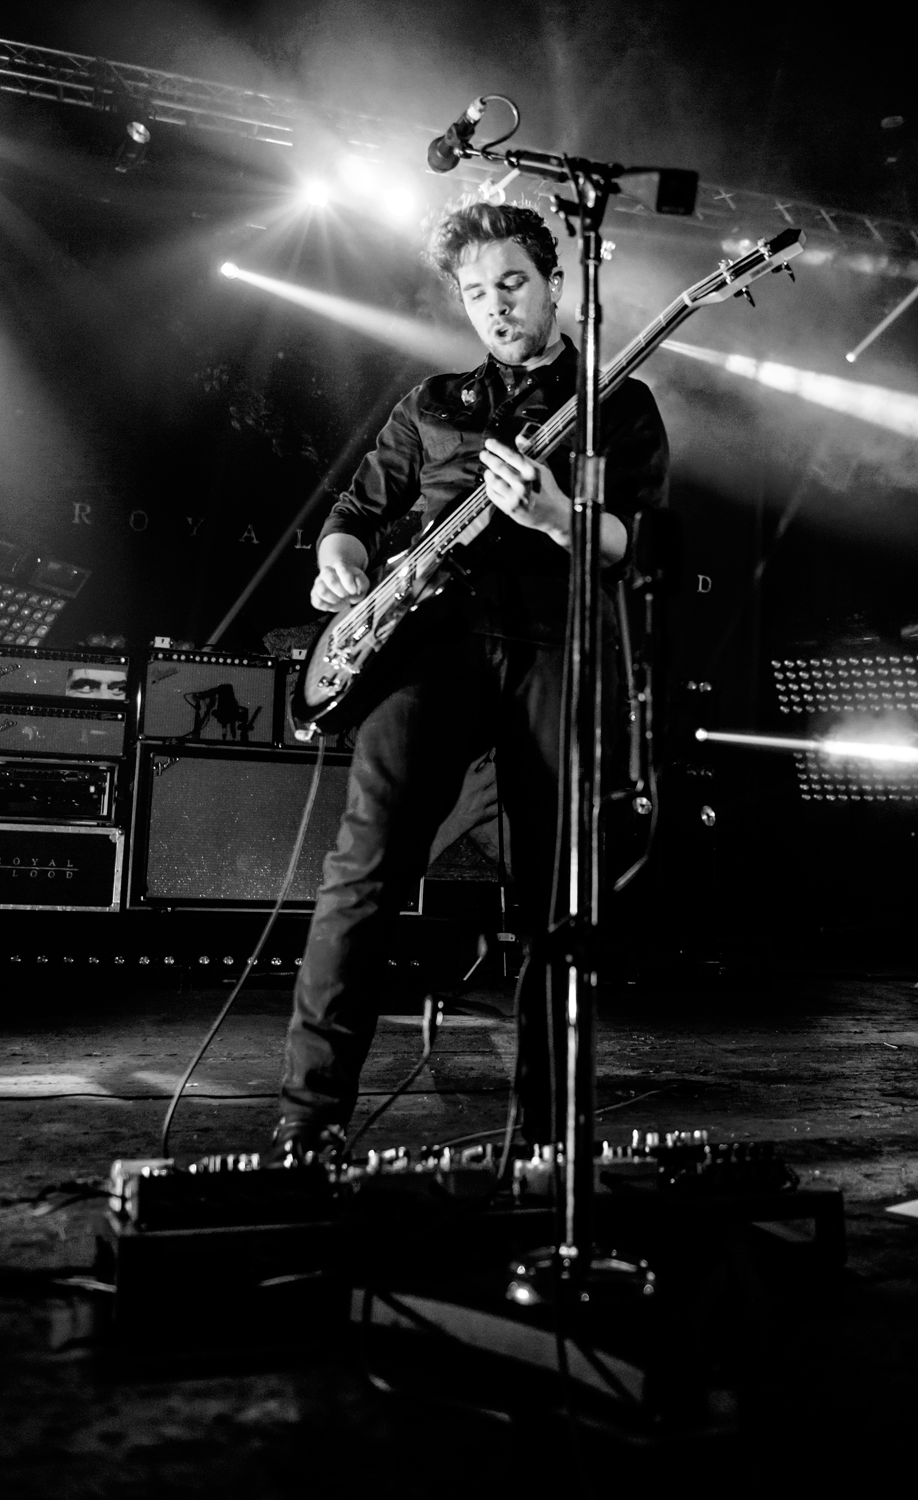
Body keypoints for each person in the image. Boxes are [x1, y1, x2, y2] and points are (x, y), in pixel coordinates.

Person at [271, 200, 668, 1161]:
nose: (495, 305)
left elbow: (632, 544)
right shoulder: (432, 403)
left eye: (513, 283)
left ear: (556, 283)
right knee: (363, 874)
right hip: (427, 647)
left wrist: (555, 516)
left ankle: (546, 1142)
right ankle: (308, 1122)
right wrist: (339, 565)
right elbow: (354, 514)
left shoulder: (617, 401)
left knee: (552, 900)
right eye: (475, 291)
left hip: (552, 647)